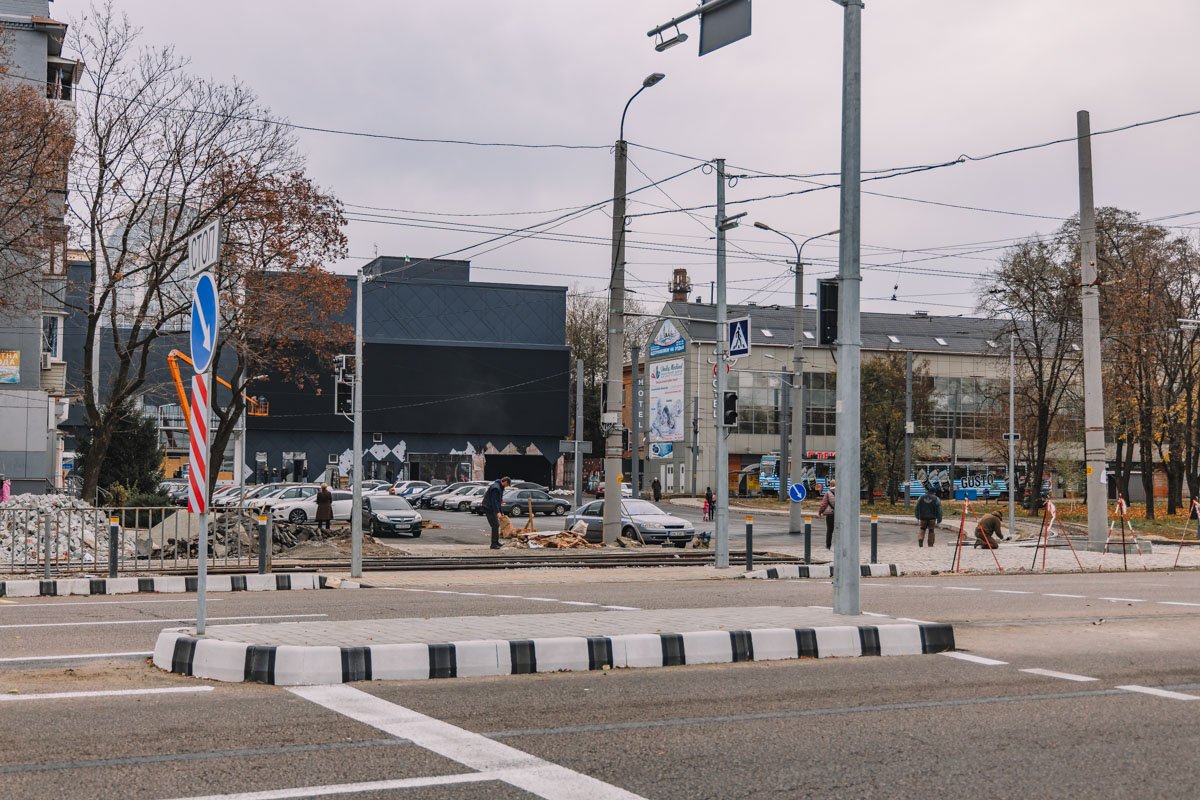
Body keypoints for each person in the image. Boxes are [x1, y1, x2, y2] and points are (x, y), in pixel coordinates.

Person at [481, 476, 511, 549]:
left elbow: (498, 501)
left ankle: (496, 542)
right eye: (507, 485)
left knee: (496, 525)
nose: (506, 486)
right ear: (505, 482)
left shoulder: (499, 487)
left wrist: (501, 511)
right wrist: (498, 512)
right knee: (495, 526)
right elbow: (494, 501)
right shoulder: (496, 488)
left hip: (491, 509)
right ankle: (493, 544)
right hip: (489, 509)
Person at [818, 480, 836, 549]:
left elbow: (824, 504)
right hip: (840, 514)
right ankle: (840, 544)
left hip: (830, 514)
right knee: (839, 529)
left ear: (830, 485)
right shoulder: (841, 492)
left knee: (829, 530)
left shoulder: (828, 493)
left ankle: (828, 546)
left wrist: (820, 512)